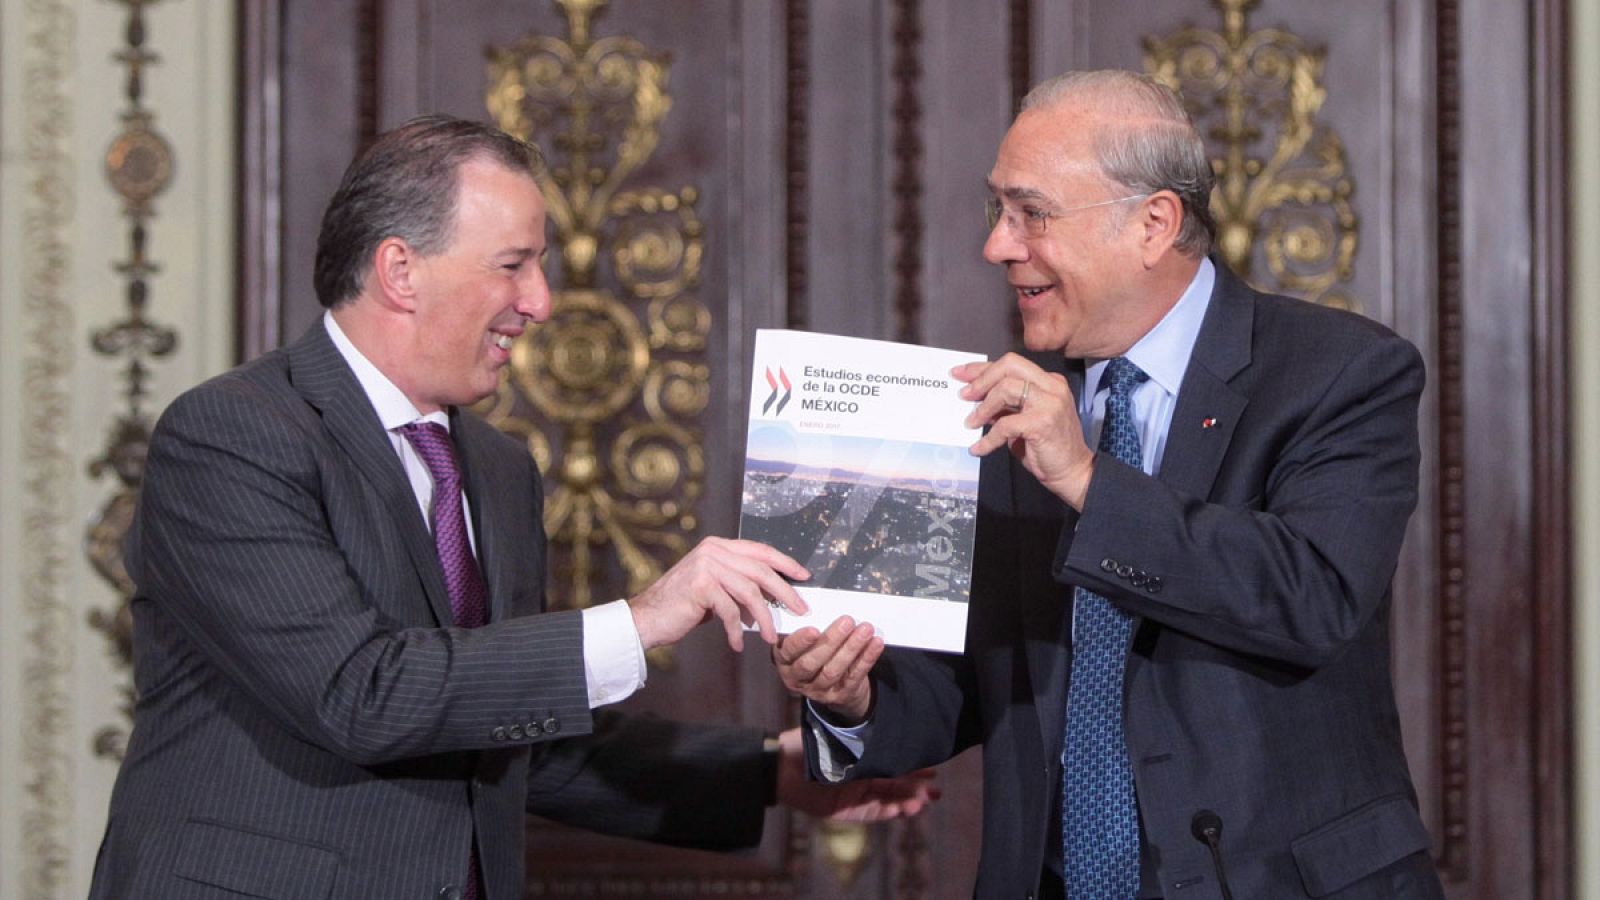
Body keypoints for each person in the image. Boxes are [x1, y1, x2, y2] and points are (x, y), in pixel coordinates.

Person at [89, 115, 935, 900]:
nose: (540, 301)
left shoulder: (495, 469)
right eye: (513, 264)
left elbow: (508, 728)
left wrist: (770, 774)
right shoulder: (232, 434)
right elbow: (360, 692)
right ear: (400, 270)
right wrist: (643, 618)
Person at [775, 69, 1444, 899]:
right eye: (998, 210)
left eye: (1033, 214)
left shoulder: (1342, 372)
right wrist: (851, 694)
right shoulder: (1003, 402)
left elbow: (1312, 596)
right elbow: (963, 685)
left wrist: (1088, 479)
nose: (998, 245)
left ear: (1153, 224)